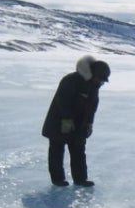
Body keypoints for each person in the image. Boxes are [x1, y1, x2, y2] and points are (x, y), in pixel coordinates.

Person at [41, 56, 110, 187]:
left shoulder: (94, 86)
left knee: (78, 151)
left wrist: (89, 123)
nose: (101, 83)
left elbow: (92, 107)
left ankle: (80, 179)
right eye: (100, 79)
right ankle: (58, 180)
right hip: (59, 121)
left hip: (80, 124)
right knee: (56, 151)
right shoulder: (71, 80)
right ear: (93, 74)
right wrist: (66, 119)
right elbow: (62, 101)